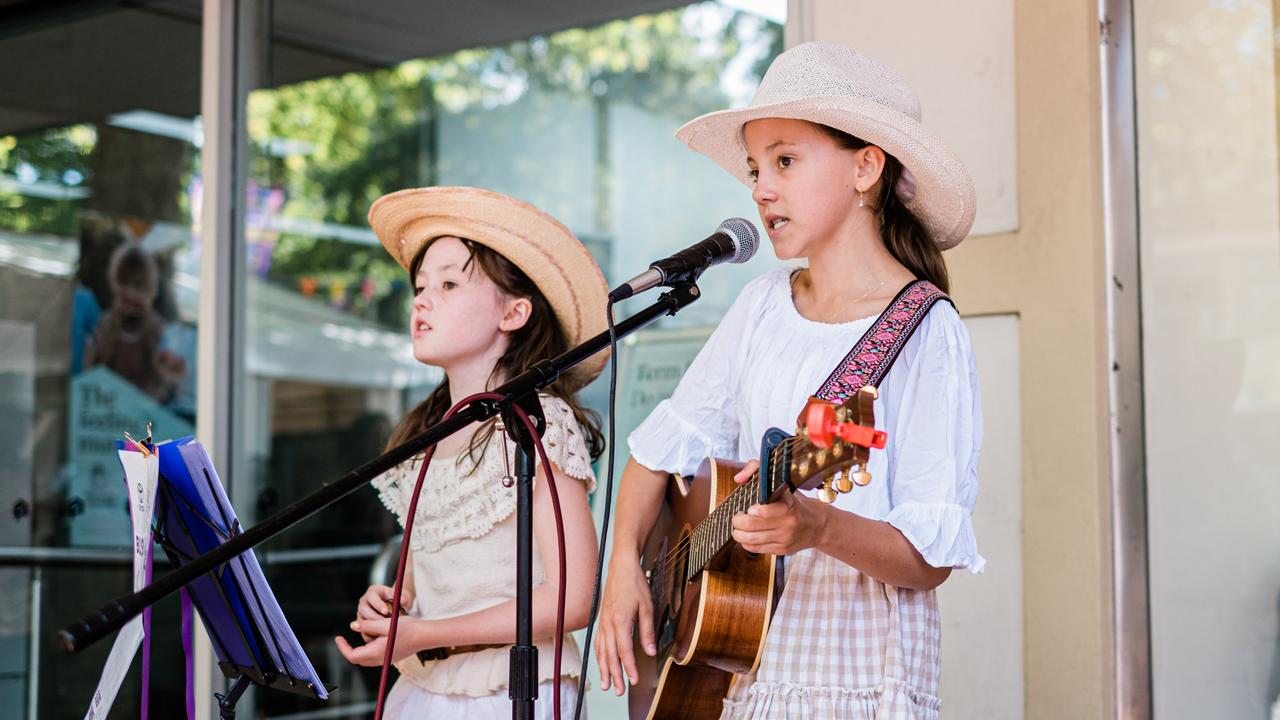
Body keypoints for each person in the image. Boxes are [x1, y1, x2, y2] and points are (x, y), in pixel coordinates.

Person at [594, 42, 985, 719]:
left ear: (866, 167)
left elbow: (928, 558)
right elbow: (659, 451)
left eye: (785, 160)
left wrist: (816, 525)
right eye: (755, 168)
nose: (760, 188)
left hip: (854, 674)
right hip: (737, 679)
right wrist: (625, 563)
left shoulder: (926, 332)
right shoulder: (761, 306)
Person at [334, 186, 608, 719]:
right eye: (419, 286)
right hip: (422, 691)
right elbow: (422, 584)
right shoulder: (424, 431)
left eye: (450, 284)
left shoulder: (538, 421)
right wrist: (392, 603)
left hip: (508, 693)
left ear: (514, 312)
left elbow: (574, 597)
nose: (422, 299)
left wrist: (426, 632)